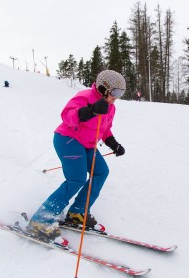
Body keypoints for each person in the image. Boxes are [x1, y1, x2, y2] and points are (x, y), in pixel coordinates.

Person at [27, 70, 126, 242]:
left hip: (87, 144)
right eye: (115, 92)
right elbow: (67, 116)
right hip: (68, 139)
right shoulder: (86, 96)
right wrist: (91, 110)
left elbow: (105, 129)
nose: (117, 97)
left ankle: (77, 212)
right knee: (77, 179)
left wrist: (114, 144)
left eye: (121, 93)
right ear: (103, 89)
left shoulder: (111, 107)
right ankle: (41, 220)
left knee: (101, 171)